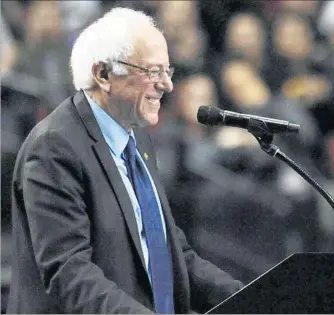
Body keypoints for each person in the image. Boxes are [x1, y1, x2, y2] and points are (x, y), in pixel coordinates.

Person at [7, 7, 244, 314]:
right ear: (103, 74)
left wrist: (253, 299)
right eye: (152, 72)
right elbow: (70, 273)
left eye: (167, 71)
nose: (167, 85)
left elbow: (172, 255)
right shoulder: (53, 147)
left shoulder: (137, 137)